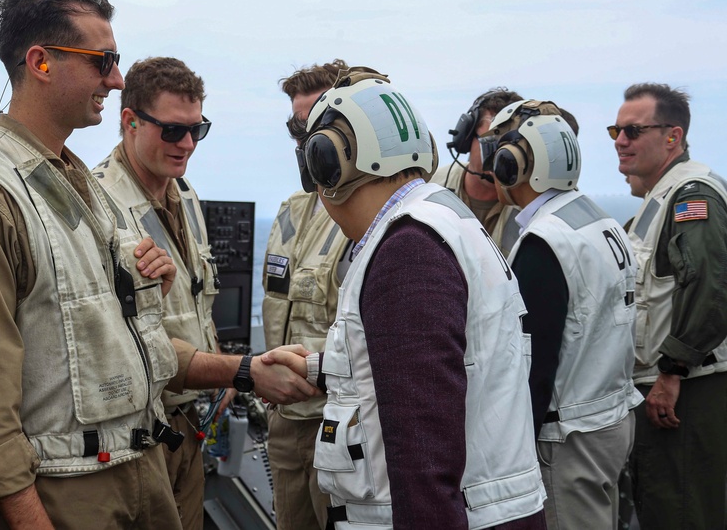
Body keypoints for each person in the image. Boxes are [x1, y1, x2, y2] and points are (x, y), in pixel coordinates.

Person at [0, 0, 316, 530]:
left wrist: (234, 363)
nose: (117, 77)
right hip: (66, 489)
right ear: (41, 62)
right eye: (102, 60)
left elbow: (131, 343)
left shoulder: (78, 187)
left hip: (139, 466)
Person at [268, 68, 547, 529]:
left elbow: (424, 459)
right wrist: (320, 370)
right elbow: (431, 369)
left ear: (325, 165)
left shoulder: (407, 252)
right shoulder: (439, 222)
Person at [481, 99, 641, 529]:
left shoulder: (543, 242)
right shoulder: (598, 220)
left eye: (497, 156)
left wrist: (512, 451)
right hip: (609, 418)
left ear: (516, 166)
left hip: (568, 438)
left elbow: (533, 362)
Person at [92, 56, 221, 530]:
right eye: (172, 131)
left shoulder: (183, 195)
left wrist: (218, 365)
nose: (187, 144)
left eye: (197, 130)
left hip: (191, 423)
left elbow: (197, 297)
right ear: (130, 121)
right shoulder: (96, 204)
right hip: (140, 435)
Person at [612, 83, 727, 529]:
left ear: (672, 137)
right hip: (666, 388)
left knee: (680, 510)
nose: (620, 141)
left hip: (687, 391)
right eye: (617, 131)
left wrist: (670, 373)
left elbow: (712, 290)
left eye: (633, 130)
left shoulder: (691, 196)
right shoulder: (658, 198)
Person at [261, 59, 350, 530]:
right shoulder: (291, 211)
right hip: (285, 420)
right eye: (298, 128)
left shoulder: (366, 217)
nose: (305, 140)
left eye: (315, 124)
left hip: (336, 425)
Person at [434, 88, 524, 254]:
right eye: (490, 144)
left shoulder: (528, 206)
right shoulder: (431, 187)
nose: (499, 157)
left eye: (508, 148)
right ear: (466, 139)